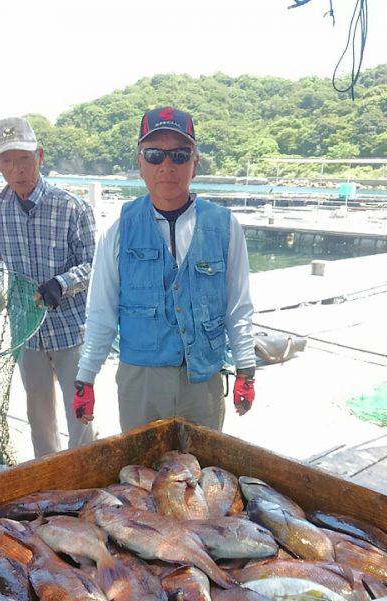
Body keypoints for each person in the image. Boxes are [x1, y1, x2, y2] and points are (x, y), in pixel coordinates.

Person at [73, 106, 256, 432]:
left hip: (203, 380)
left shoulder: (226, 227)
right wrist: (85, 377)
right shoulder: (116, 232)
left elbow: (238, 307)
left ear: (195, 164)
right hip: (140, 381)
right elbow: (101, 311)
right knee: (140, 476)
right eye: (155, 155)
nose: (167, 166)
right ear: (140, 163)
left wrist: (246, 369)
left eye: (180, 155)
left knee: (203, 474)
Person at [0, 117, 96, 457]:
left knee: (81, 414)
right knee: (38, 414)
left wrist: (62, 284)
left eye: (23, 158)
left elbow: (95, 265)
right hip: (25, 332)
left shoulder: (72, 206)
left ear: (40, 156)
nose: (16, 169)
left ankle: (85, 477)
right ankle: (47, 480)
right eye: (6, 160)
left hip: (71, 331)